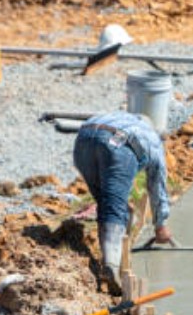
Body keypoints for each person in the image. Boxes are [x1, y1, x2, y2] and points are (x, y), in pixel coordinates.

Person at [73, 111, 173, 298]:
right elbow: (157, 186)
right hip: (119, 144)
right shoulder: (153, 141)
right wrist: (161, 225)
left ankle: (114, 253)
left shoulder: (124, 118)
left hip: (84, 138)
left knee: (108, 202)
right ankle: (111, 265)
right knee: (113, 208)